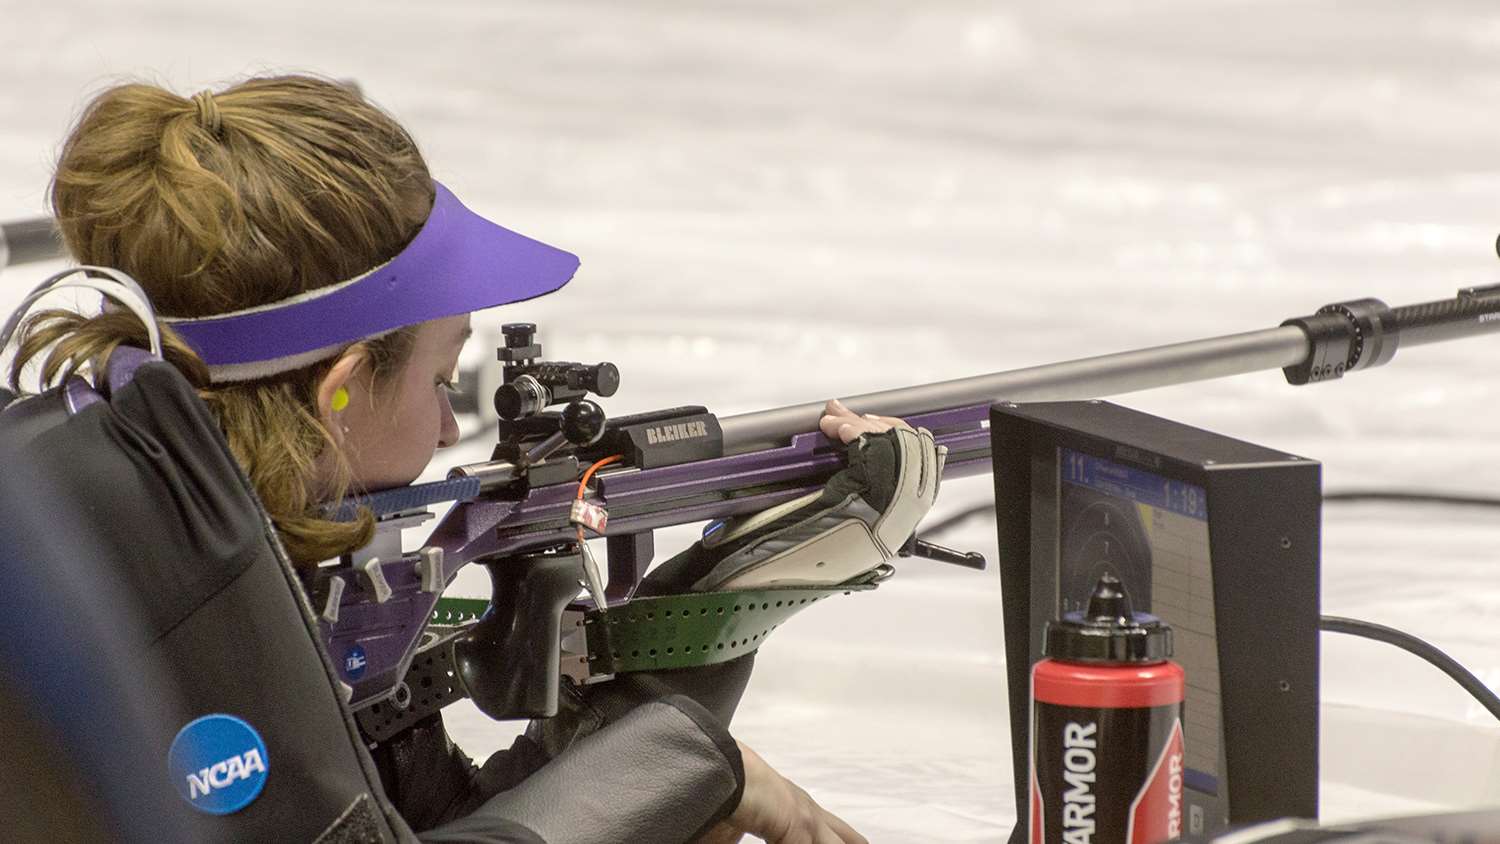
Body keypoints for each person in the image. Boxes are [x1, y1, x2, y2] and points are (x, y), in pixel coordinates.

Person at [6, 74, 939, 843]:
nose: (452, 434)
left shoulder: (97, 473)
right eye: (443, 383)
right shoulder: (192, 582)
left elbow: (407, 822)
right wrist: (706, 771)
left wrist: (719, 604)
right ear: (337, 390)